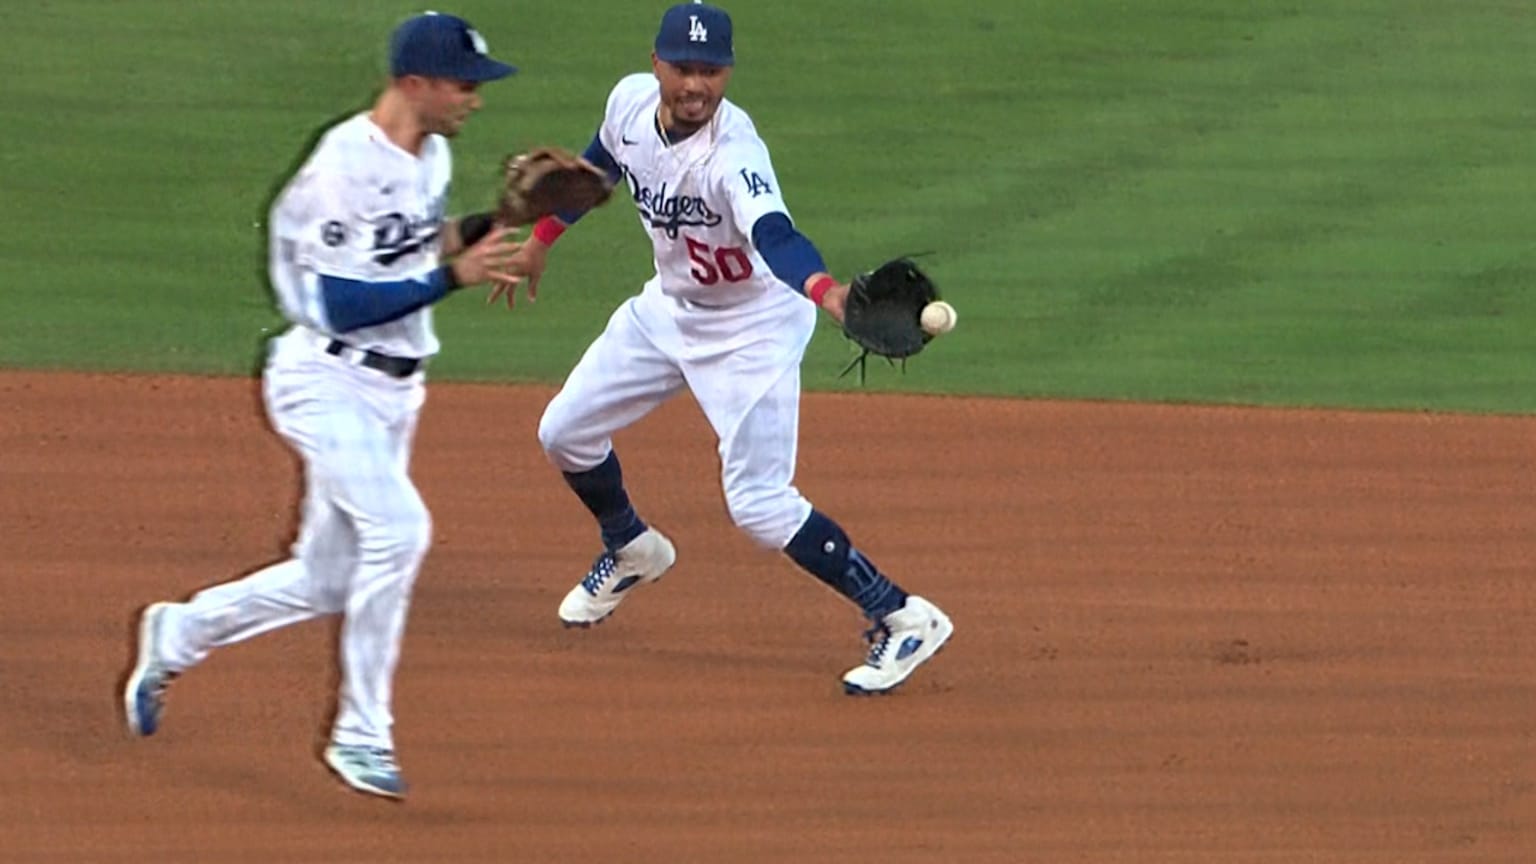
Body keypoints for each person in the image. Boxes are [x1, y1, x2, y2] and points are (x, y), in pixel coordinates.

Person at [494, 1, 954, 695]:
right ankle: (631, 544)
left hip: (752, 333)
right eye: (682, 68)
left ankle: (902, 615)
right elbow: (597, 171)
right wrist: (540, 241)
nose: (695, 86)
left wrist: (827, 293)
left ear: (728, 73)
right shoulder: (627, 103)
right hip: (670, 311)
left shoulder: (735, 157)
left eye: (710, 72)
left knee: (759, 505)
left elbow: (775, 235)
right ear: (657, 65)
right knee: (564, 432)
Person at [122, 11, 521, 799]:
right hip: (323, 378)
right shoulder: (343, 165)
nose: (475, 99)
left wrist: (490, 226)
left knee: (327, 577)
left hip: (393, 391)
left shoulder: (430, 152)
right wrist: (454, 281)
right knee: (400, 531)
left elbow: (410, 241)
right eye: (463, 85)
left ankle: (180, 630)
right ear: (415, 84)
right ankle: (360, 734)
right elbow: (340, 303)